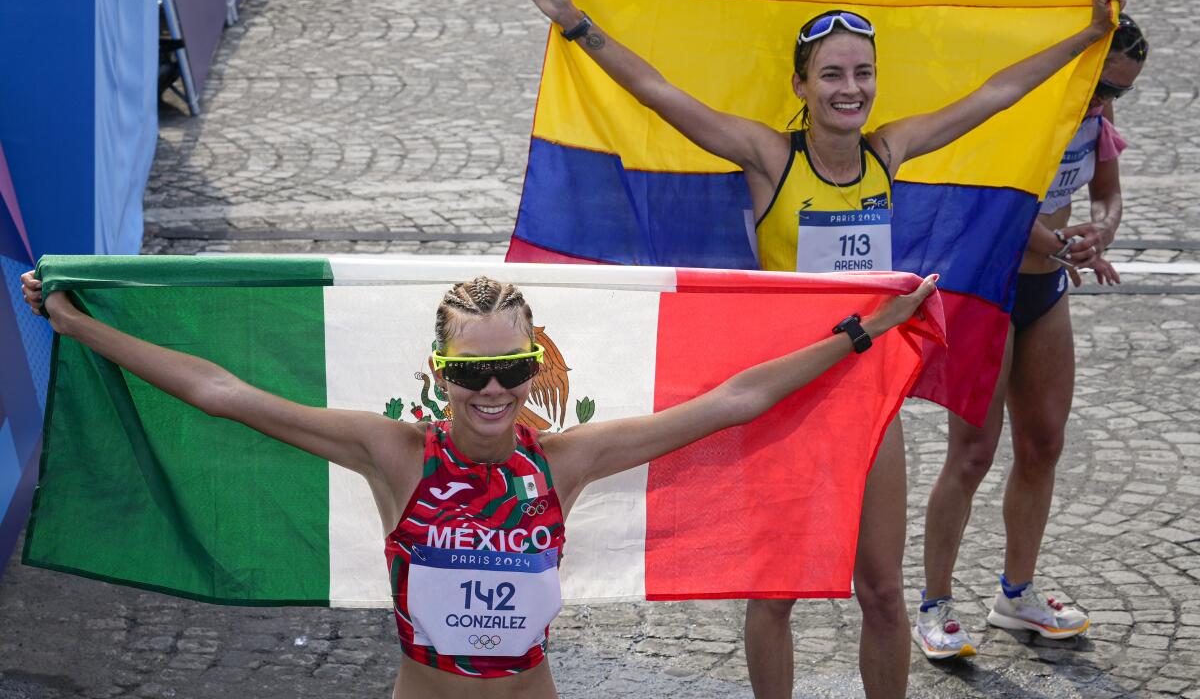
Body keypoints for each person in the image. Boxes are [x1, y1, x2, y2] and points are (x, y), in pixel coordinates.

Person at [523, 0, 1122, 699]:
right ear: (801, 86)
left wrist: (1086, 36)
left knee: (880, 593)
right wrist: (574, 23)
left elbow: (995, 95)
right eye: (832, 74)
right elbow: (659, 94)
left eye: (863, 74)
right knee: (774, 595)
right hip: (784, 400)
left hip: (870, 400)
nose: (851, 89)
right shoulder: (769, 157)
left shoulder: (887, 153)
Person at [20, 269, 935, 699]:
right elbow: (221, 392)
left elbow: (734, 401)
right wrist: (79, 325)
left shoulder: (564, 461)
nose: (492, 391)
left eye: (512, 369)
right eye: (470, 374)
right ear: (438, 374)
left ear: (536, 366)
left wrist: (862, 333)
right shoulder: (395, 457)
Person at [914, 9, 1148, 660]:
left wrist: (1102, 229)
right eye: (1102, 85)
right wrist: (1055, 242)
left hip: (1045, 292)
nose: (1106, 101)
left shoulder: (1095, 117)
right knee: (972, 453)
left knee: (1043, 442)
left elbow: (1107, 191)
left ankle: (1016, 594)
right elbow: (988, 205)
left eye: (1120, 92)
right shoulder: (1021, 105)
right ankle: (934, 606)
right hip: (985, 292)